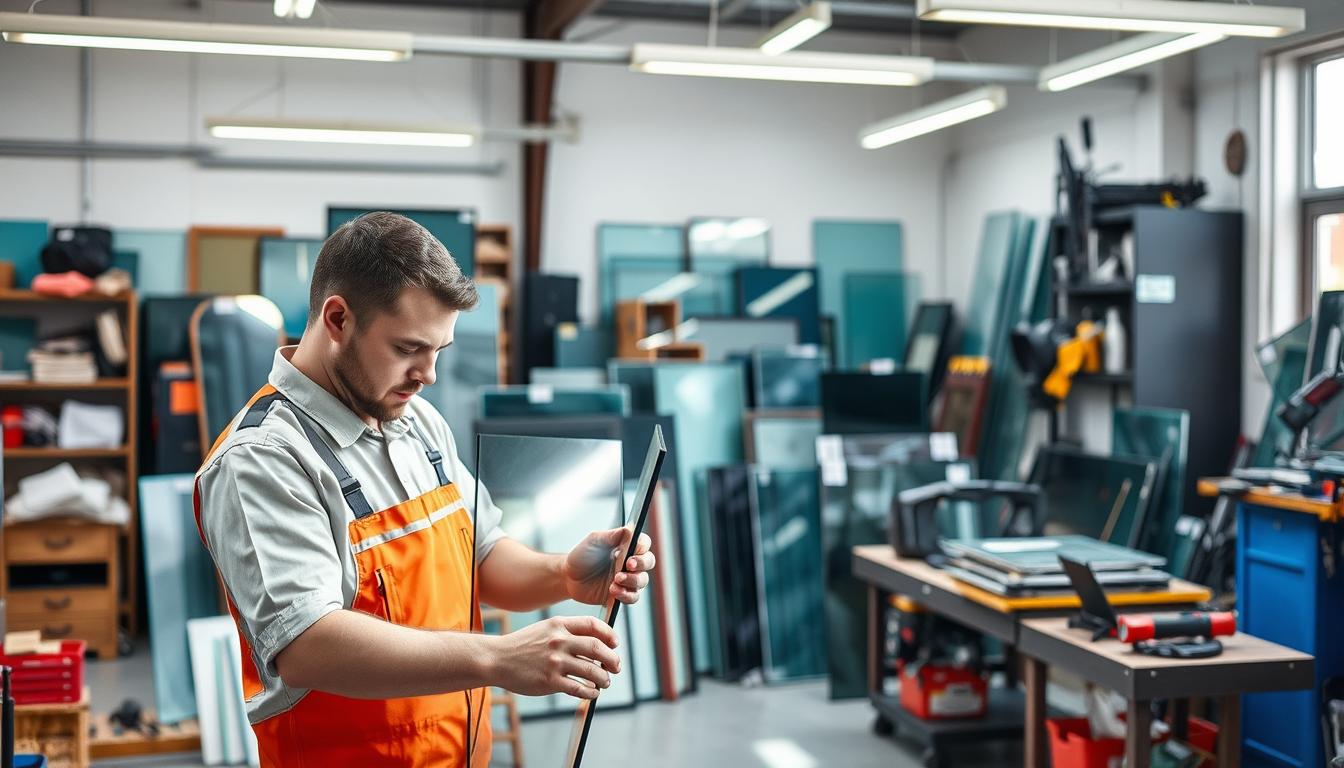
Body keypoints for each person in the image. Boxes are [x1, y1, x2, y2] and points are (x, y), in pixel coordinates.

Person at [194, 212, 654, 766]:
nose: (429, 374)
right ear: (338, 319)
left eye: (439, 350)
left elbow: (480, 558)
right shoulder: (264, 459)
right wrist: (499, 657)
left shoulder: (417, 424)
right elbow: (307, 646)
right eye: (409, 348)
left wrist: (563, 574)